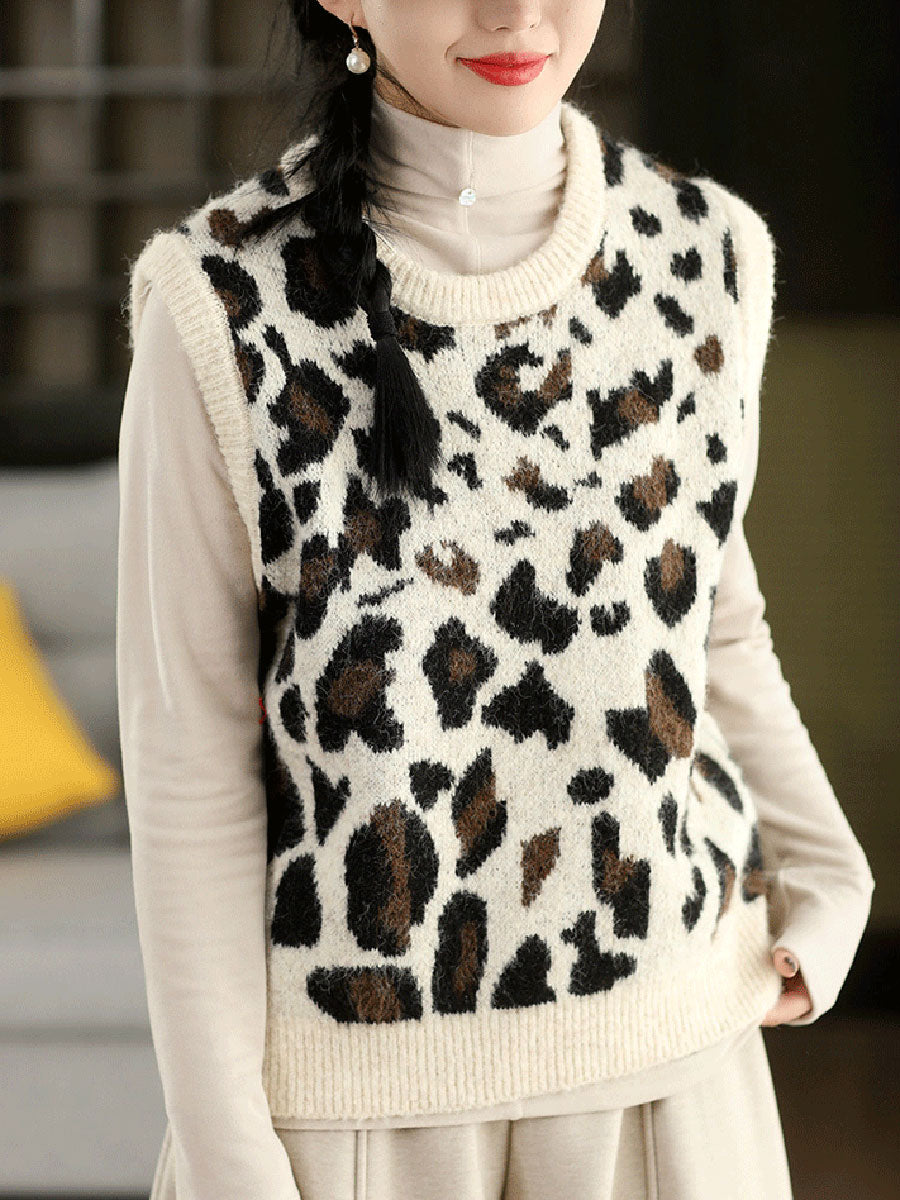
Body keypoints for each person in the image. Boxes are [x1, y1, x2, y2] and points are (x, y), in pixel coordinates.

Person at [116, 2, 875, 1198]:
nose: (518, 12)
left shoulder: (707, 254)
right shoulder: (220, 307)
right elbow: (188, 765)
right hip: (349, 1122)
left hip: (676, 1088)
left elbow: (717, 626)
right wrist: (228, 1158)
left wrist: (834, 876)